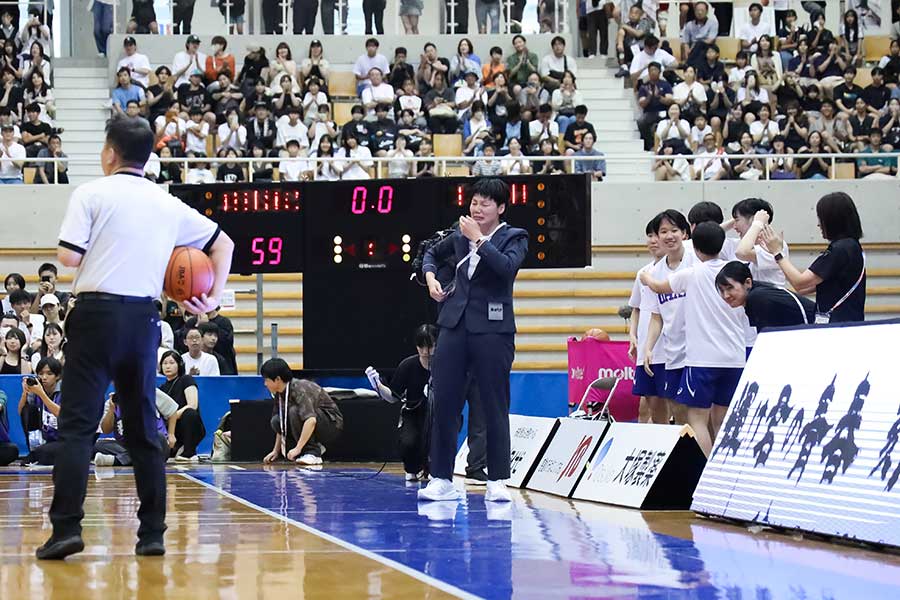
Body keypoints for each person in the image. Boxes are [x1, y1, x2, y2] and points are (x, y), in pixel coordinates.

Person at [36, 115, 233, 560]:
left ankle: (66, 529)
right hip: (143, 318)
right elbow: (225, 245)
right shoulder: (167, 203)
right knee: (144, 427)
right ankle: (152, 534)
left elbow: (68, 258)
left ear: (109, 153)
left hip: (94, 314)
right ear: (147, 157)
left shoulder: (91, 193)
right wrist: (210, 298)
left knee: (77, 427)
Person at [419, 178, 529, 503]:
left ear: (501, 207)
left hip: (494, 329)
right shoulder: (459, 233)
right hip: (454, 325)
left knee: (494, 403)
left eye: (485, 203)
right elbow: (430, 253)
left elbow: (506, 268)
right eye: (474, 202)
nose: (477, 209)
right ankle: (441, 477)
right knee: (445, 402)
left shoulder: (514, 236)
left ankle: (497, 478)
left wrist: (478, 240)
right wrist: (430, 278)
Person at [641, 223, 745, 456]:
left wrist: (645, 277)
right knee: (723, 419)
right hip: (735, 358)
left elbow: (658, 287)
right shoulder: (735, 272)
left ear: (695, 249)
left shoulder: (691, 274)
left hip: (702, 361)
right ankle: (725, 467)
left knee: (696, 419)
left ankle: (704, 471)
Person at [762, 192, 865, 324]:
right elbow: (802, 289)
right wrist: (777, 253)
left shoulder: (840, 249)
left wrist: (777, 252)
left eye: (821, 219)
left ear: (833, 220)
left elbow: (799, 282)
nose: (818, 225)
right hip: (847, 323)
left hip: (839, 326)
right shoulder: (852, 246)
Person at [641, 210, 692, 426]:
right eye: (663, 232)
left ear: (685, 234)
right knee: (677, 409)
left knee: (700, 412)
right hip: (673, 351)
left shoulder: (695, 261)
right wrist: (648, 348)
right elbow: (656, 316)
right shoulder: (655, 272)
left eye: (674, 230)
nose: (669, 236)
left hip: (698, 351)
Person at [366, 324, 436, 481]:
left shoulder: (445, 365)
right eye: (421, 347)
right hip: (413, 414)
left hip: (437, 415)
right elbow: (392, 397)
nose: (426, 352)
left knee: (438, 438)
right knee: (408, 442)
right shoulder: (408, 365)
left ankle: (435, 468)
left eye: (430, 346)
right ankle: (412, 468)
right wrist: (378, 385)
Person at [261, 358, 344, 466]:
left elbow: (311, 420)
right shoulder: (279, 394)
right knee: (276, 420)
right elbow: (281, 422)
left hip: (331, 423)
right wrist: (276, 451)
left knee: (294, 411)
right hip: (315, 421)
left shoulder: (299, 388)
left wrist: (298, 448)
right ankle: (315, 446)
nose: (265, 384)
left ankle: (313, 453)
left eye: (266, 380)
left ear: (277, 379)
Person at [628, 218, 668, 424]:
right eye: (650, 235)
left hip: (668, 349)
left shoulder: (676, 271)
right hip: (646, 350)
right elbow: (636, 308)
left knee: (672, 406)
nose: (653, 240)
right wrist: (632, 335)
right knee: (649, 404)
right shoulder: (642, 273)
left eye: (657, 235)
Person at [716, 261, 815, 330]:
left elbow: (768, 340)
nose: (726, 295)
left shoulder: (758, 297)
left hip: (818, 329)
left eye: (730, 288)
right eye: (721, 290)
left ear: (748, 282)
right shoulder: (757, 295)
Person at [94, 389, 178, 467]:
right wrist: (111, 410)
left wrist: (171, 434)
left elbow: (172, 409)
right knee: (96, 445)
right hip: (126, 445)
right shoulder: (112, 402)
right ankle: (129, 457)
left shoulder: (150, 391)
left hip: (152, 442)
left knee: (158, 437)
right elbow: (106, 430)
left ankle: (117, 460)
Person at [158, 350, 206, 462]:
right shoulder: (161, 388)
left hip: (189, 425)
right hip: (172, 429)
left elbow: (192, 405)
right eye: (165, 363)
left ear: (179, 365)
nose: (168, 366)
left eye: (171, 363)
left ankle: (189, 452)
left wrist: (172, 416)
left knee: (189, 413)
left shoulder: (186, 379)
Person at [18, 356, 63, 464]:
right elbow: (21, 412)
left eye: (49, 374)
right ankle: (34, 450)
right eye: (41, 373)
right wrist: (25, 393)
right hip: (45, 440)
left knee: (44, 453)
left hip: (65, 439)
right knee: (29, 409)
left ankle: (37, 454)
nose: (44, 377)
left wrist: (41, 394)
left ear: (57, 376)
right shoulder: (36, 389)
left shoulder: (65, 389)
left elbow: (62, 414)